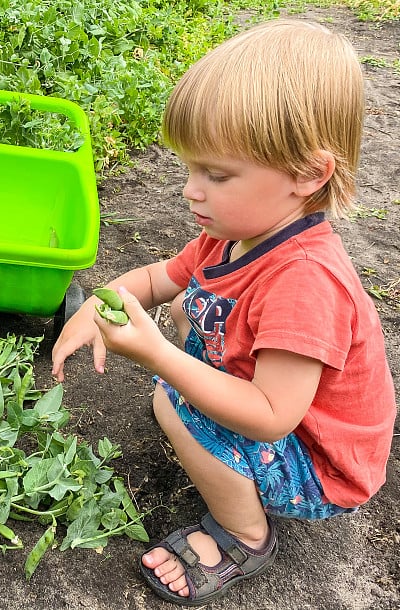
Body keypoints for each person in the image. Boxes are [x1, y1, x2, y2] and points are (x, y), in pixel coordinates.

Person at [51, 19, 396, 606]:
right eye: (191, 168)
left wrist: (158, 354)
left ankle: (245, 534)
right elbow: (160, 279)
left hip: (320, 465)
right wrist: (98, 306)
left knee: (176, 400)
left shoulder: (305, 280)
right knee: (191, 308)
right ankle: (213, 433)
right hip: (276, 408)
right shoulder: (236, 232)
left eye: (217, 174)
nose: (191, 190)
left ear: (309, 174)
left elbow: (269, 417)